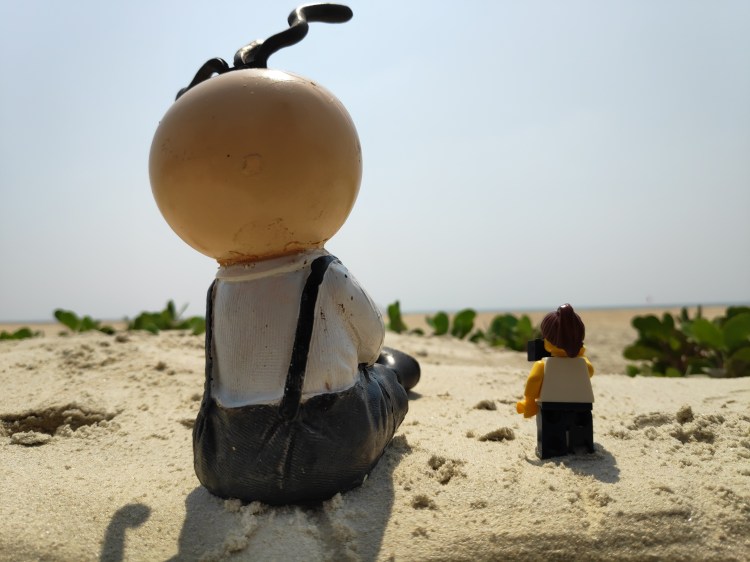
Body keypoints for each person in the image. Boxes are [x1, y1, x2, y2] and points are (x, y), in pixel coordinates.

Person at [148, 17, 419, 503]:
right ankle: (399, 379)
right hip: (325, 454)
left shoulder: (220, 288)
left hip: (228, 460)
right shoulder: (324, 273)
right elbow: (370, 340)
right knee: (391, 373)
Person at [517, 304, 594, 459]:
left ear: (548, 342)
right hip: (582, 404)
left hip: (550, 405)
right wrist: (579, 355)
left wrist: (529, 402)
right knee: (580, 429)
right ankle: (581, 447)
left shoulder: (543, 364)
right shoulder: (583, 363)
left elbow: (533, 380)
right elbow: (590, 372)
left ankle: (553, 450)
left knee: (551, 431)